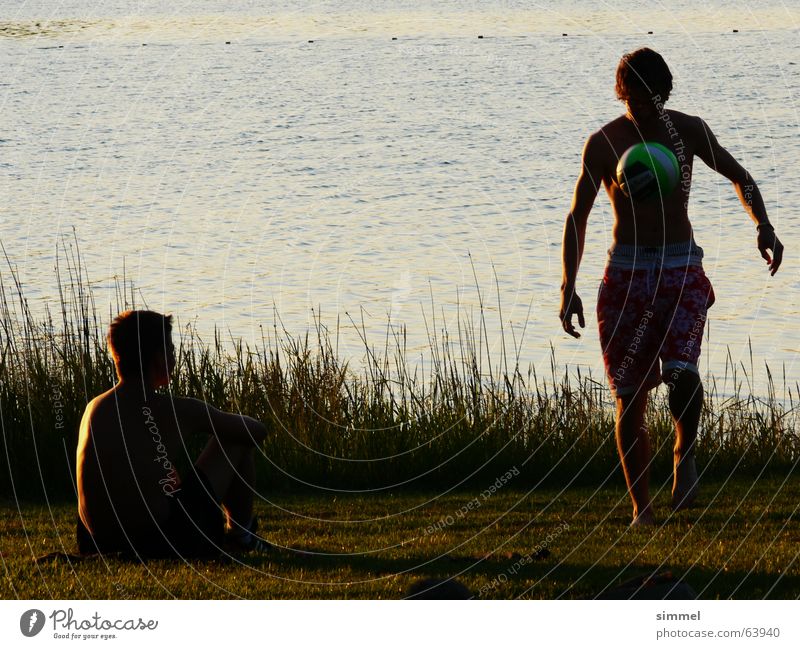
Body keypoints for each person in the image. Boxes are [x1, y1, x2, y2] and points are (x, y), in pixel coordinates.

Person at [559, 48, 784, 525]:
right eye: (635, 99)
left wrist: (762, 223)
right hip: (626, 274)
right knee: (629, 394)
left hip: (681, 267)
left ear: (665, 94)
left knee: (682, 370)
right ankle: (642, 508)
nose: (644, 109)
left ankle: (684, 453)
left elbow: (738, 175)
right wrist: (568, 286)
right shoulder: (603, 142)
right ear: (621, 94)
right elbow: (578, 216)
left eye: (653, 99)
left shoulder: (688, 130)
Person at [77, 310, 271, 557]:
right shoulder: (172, 409)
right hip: (161, 541)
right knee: (234, 440)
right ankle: (241, 535)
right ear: (158, 359)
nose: (173, 355)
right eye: (170, 348)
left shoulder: (93, 407)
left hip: (96, 541)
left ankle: (239, 536)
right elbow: (256, 432)